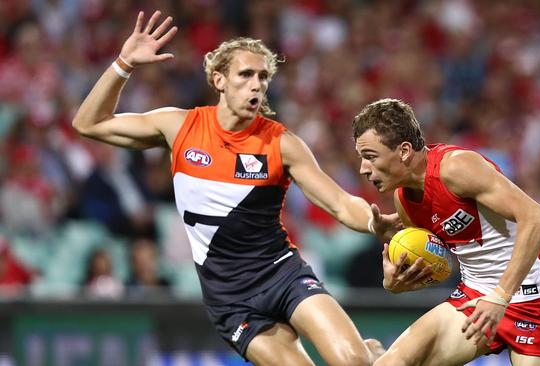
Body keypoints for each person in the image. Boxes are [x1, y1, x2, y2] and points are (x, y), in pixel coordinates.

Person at [72, 11, 397, 365]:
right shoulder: (179, 126)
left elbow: (338, 202)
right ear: (219, 80)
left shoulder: (281, 144)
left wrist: (371, 222)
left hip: (283, 275)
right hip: (230, 299)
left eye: (263, 77)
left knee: (354, 363)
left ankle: (364, 353)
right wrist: (124, 64)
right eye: (245, 74)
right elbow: (89, 122)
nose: (256, 84)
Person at [351, 99, 540, 366]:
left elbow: (538, 219)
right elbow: (439, 263)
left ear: (405, 151)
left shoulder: (457, 167)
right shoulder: (404, 200)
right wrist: (397, 281)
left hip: (532, 301)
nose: (363, 168)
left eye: (370, 157)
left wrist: (500, 297)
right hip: (473, 297)